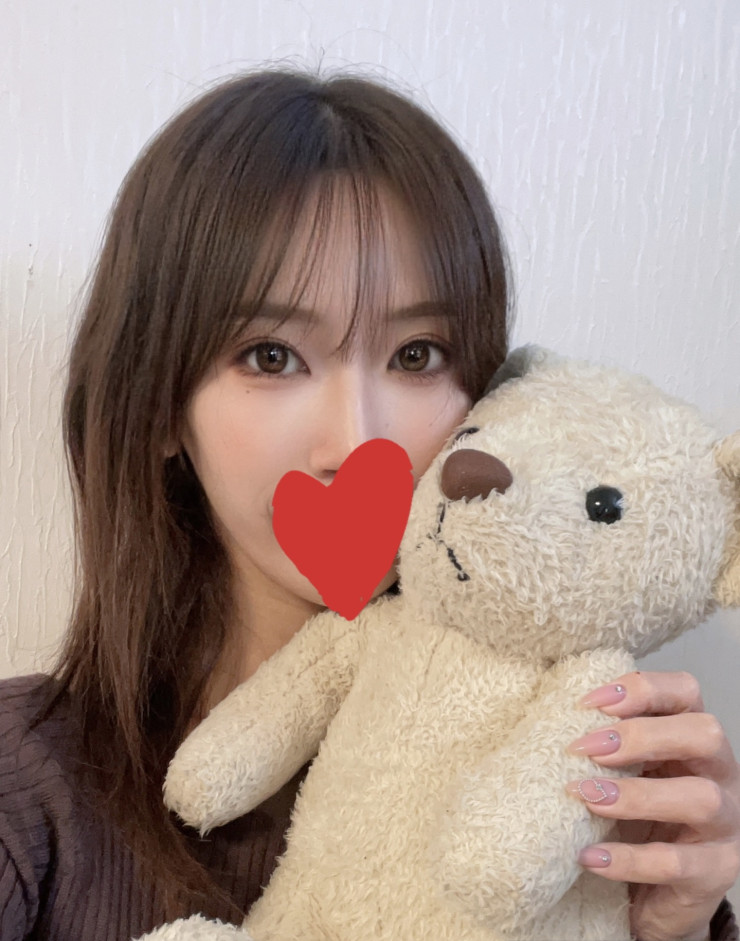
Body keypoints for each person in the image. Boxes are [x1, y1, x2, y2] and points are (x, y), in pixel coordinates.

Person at [0, 69, 737, 941]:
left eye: (417, 354)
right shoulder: (29, 789)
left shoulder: (580, 788)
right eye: (272, 356)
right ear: (159, 403)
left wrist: (671, 925)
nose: (358, 443)